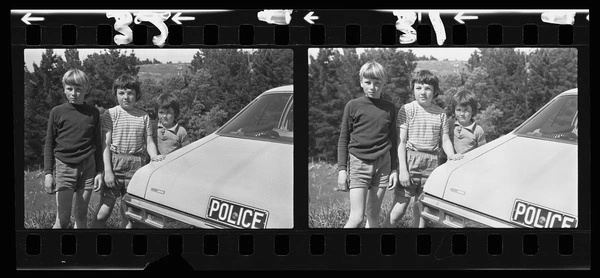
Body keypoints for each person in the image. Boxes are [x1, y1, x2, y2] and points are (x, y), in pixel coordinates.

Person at [384, 70, 463, 228]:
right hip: (411, 161)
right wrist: (403, 170)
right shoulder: (407, 109)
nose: (423, 92)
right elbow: (401, 141)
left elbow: (445, 139)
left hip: (432, 164)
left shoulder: (441, 114)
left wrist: (451, 155)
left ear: (435, 92)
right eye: (419, 87)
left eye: (427, 88)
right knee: (398, 211)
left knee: (421, 213)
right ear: (413, 89)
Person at [91, 74, 165, 229]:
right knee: (102, 213)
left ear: (137, 95)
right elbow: (105, 144)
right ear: (116, 94)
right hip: (115, 163)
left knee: (130, 215)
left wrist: (154, 156)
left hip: (136, 165)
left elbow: (149, 142)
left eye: (130, 93)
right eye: (121, 93)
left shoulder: (144, 116)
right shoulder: (110, 114)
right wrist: (108, 171)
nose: (126, 97)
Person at [336, 61, 399, 228]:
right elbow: (343, 139)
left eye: (377, 83)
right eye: (368, 82)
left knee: (373, 216)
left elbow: (393, 139)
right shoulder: (352, 106)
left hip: (383, 164)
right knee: (356, 218)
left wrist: (394, 169)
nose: (373, 87)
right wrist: (342, 170)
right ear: (361, 82)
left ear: (383, 83)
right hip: (359, 163)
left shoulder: (390, 108)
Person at [43, 69, 103, 229]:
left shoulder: (93, 113)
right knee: (63, 220)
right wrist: (48, 173)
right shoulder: (57, 112)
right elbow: (49, 143)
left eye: (79, 89)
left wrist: (99, 172)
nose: (74, 93)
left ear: (86, 89)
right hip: (64, 167)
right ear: (64, 89)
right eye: (70, 89)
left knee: (81, 215)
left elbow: (98, 143)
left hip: (88, 167)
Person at [449, 90, 486, 154]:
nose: (462, 114)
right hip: (451, 163)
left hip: (470, 163)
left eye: (466, 110)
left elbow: (482, 152)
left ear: (473, 111)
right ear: (454, 110)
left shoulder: (478, 130)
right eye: (458, 110)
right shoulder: (450, 125)